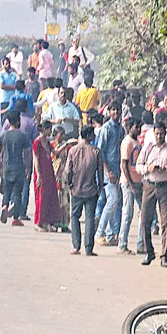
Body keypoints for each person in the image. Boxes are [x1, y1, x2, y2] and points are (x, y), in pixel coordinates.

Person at [136, 122, 167, 267]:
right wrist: (148, 168)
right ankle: (149, 252)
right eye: (157, 134)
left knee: (166, 222)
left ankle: (164, 256)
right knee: (145, 220)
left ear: (165, 134)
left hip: (165, 187)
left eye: (161, 134)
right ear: (154, 134)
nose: (159, 136)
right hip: (149, 185)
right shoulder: (148, 148)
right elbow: (138, 166)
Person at [66, 126, 104, 256]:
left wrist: (69, 185)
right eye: (92, 134)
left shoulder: (73, 151)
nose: (93, 136)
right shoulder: (96, 152)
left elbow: (68, 171)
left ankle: (76, 246)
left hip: (76, 189)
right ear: (88, 135)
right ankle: (89, 248)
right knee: (89, 219)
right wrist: (99, 189)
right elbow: (100, 173)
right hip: (91, 190)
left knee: (75, 217)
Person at [94, 101, 125, 246]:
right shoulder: (105, 129)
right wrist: (107, 171)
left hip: (118, 170)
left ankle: (111, 234)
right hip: (108, 171)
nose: (116, 113)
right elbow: (100, 152)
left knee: (115, 202)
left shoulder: (121, 129)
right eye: (113, 110)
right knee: (112, 200)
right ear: (109, 112)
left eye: (118, 110)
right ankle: (100, 232)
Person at [3, 99, 39, 220]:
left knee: (9, 185)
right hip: (23, 160)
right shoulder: (30, 123)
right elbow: (34, 141)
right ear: (26, 108)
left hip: (8, 159)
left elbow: (2, 141)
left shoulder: (8, 123)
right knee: (23, 186)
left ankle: (9, 204)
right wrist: (29, 167)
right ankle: (21, 211)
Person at [0, 111, 31, 226]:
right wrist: (28, 169)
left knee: (7, 191)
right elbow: (26, 154)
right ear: (17, 121)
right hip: (19, 168)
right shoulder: (23, 136)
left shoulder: (4, 135)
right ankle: (16, 218)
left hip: (6, 167)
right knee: (17, 193)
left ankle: (5, 206)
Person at [118, 117, 145, 255]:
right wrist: (130, 183)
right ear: (130, 127)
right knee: (127, 213)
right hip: (128, 182)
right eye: (137, 127)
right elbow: (124, 164)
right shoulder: (127, 142)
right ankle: (122, 244)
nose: (139, 130)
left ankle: (141, 244)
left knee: (143, 213)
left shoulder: (137, 142)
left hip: (139, 180)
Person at [32, 121, 63, 232]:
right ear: (44, 129)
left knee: (49, 196)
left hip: (49, 172)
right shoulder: (37, 142)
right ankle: (39, 222)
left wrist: (64, 145)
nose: (50, 131)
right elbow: (36, 159)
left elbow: (55, 152)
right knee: (41, 197)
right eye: (49, 129)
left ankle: (47, 222)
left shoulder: (47, 142)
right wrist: (39, 175)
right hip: (41, 172)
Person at [52, 126, 77, 232]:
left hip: (64, 175)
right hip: (53, 176)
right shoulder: (51, 145)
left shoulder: (68, 147)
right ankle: (55, 222)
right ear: (55, 135)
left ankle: (64, 224)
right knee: (55, 200)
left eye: (63, 134)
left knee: (65, 201)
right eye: (60, 134)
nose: (62, 136)